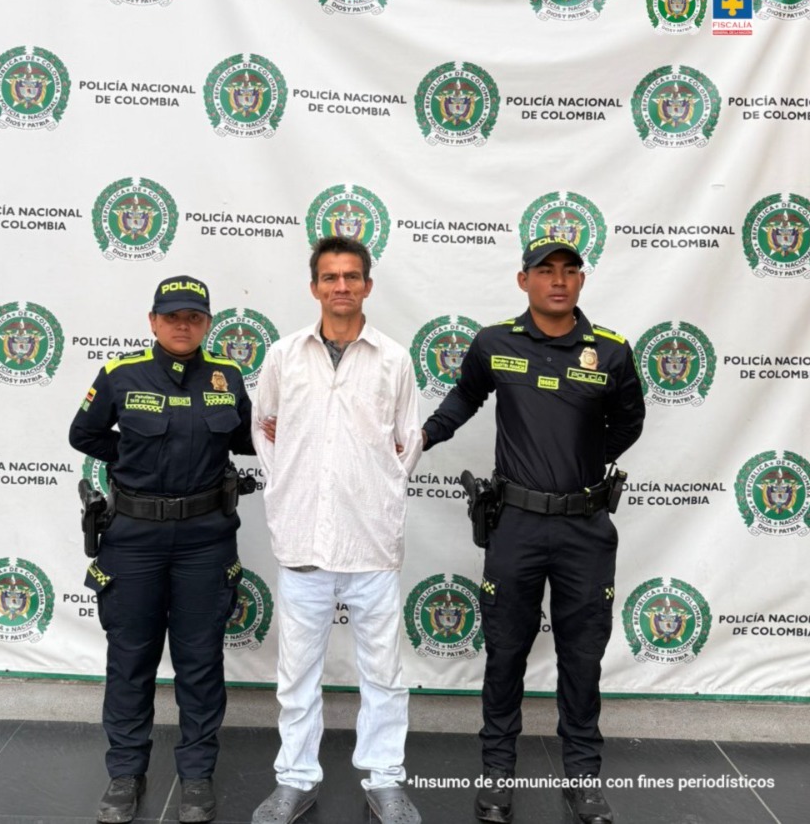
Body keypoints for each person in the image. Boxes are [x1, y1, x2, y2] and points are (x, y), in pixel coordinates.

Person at [421, 236, 645, 824]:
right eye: (544, 271)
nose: (558, 281)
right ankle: (497, 771)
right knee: (505, 652)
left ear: (581, 281)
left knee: (582, 655)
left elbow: (628, 422)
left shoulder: (613, 352)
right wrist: (419, 439)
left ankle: (583, 776)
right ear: (523, 281)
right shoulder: (496, 343)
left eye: (569, 271)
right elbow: (464, 398)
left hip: (585, 528)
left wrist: (577, 464)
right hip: (515, 524)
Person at [250, 236, 424, 824]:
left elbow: (408, 442)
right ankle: (295, 780)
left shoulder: (395, 360)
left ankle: (385, 780)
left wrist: (377, 496)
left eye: (352, 276)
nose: (341, 286)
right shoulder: (283, 356)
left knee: (385, 673)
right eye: (330, 277)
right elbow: (265, 431)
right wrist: (289, 492)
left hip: (371, 545)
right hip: (302, 543)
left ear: (368, 285)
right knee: (297, 674)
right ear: (314, 287)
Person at [69, 275, 254, 824]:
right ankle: (125, 772)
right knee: (131, 659)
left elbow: (245, 440)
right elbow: (85, 434)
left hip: (205, 538)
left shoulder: (229, 376)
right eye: (171, 316)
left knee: (200, 660)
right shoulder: (120, 375)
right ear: (152, 321)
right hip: (134, 539)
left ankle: (196, 774)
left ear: (207, 323)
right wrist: (133, 461)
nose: (182, 325)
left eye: (193, 317)